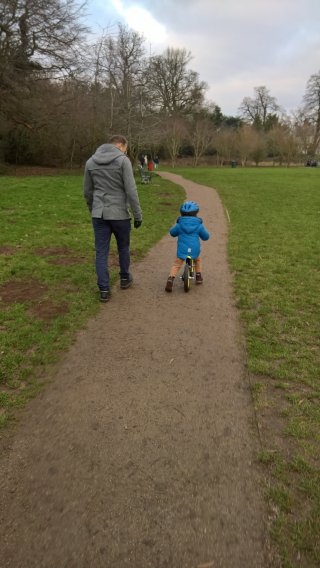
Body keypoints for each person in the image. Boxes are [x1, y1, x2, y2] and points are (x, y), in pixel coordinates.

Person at [83, 135, 142, 303]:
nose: (125, 151)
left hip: (99, 214)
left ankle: (104, 289)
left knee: (101, 251)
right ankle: (124, 278)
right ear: (120, 145)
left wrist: (92, 209)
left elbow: (87, 192)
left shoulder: (90, 162)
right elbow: (131, 191)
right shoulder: (123, 161)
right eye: (125, 148)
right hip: (120, 214)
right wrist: (138, 215)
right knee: (123, 246)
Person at [165, 201, 210, 292]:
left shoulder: (179, 224)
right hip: (194, 249)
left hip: (182, 249)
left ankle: (170, 279)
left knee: (177, 264)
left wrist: (177, 228)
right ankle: (198, 276)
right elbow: (206, 237)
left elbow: (172, 233)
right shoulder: (199, 225)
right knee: (197, 260)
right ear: (196, 213)